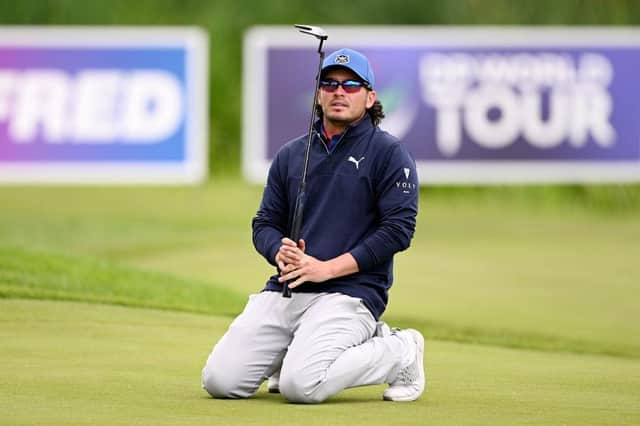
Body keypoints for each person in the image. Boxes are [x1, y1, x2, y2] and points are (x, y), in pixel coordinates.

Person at [201, 48, 424, 403]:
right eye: (330, 83)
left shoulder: (389, 153)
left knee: (300, 386)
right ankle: (291, 350)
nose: (339, 91)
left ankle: (400, 350)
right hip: (287, 290)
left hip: (351, 293)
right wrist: (279, 250)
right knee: (220, 381)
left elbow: (398, 231)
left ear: (370, 97)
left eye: (351, 85)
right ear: (318, 94)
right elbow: (264, 223)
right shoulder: (292, 154)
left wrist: (326, 269)